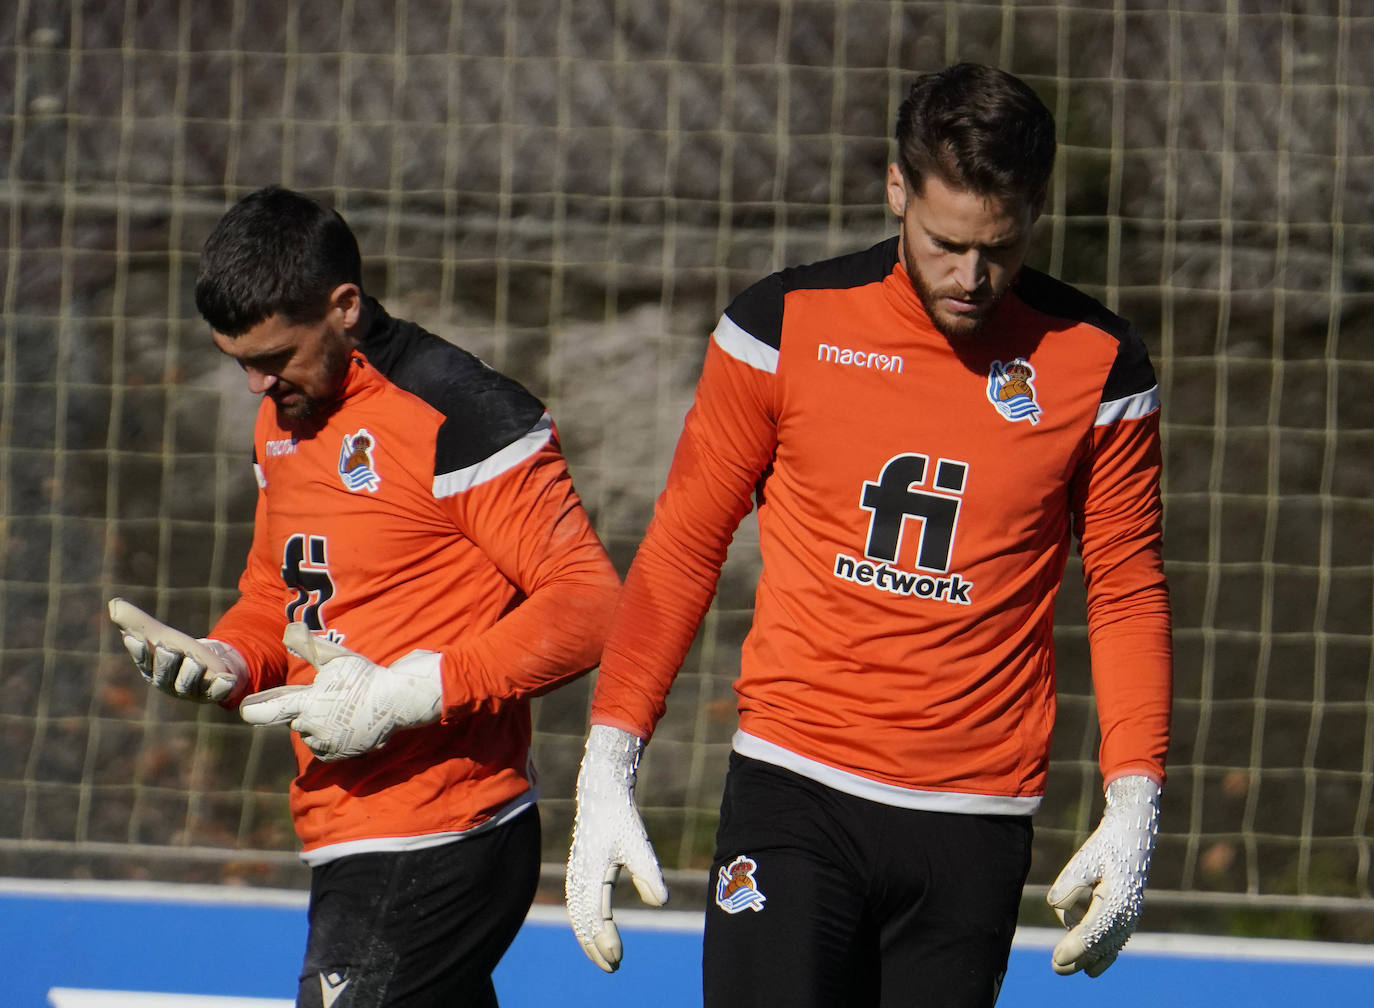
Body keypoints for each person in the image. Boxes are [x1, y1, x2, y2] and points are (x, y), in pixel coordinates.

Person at [565, 62, 1172, 1007]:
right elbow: (684, 544)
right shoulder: (781, 325)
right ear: (896, 189)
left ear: (1038, 211)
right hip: (795, 789)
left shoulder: (1100, 364)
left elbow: (1128, 590)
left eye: (1000, 249)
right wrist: (610, 759)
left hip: (974, 816)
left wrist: (1135, 796)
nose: (971, 277)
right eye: (944, 243)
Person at [109, 185, 621, 1008]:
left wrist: (405, 693)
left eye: (274, 357)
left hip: (441, 831)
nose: (254, 385)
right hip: (351, 829)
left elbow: (593, 607)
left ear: (344, 306)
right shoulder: (284, 412)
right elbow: (281, 594)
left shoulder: (461, 412)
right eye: (238, 360)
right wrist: (227, 658)